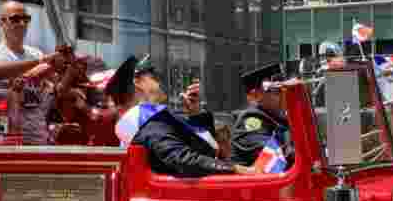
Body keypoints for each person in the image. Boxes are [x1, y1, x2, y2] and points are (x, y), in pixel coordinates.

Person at [106, 57, 251, 177]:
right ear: (138, 83)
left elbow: (206, 149)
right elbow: (182, 159)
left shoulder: (151, 121)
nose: (159, 81)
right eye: (153, 76)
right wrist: (234, 169)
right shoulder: (149, 125)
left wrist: (195, 114)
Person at [231, 63, 293, 168]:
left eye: (284, 90)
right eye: (276, 91)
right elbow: (279, 156)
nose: (284, 95)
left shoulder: (280, 120)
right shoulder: (249, 122)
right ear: (255, 95)